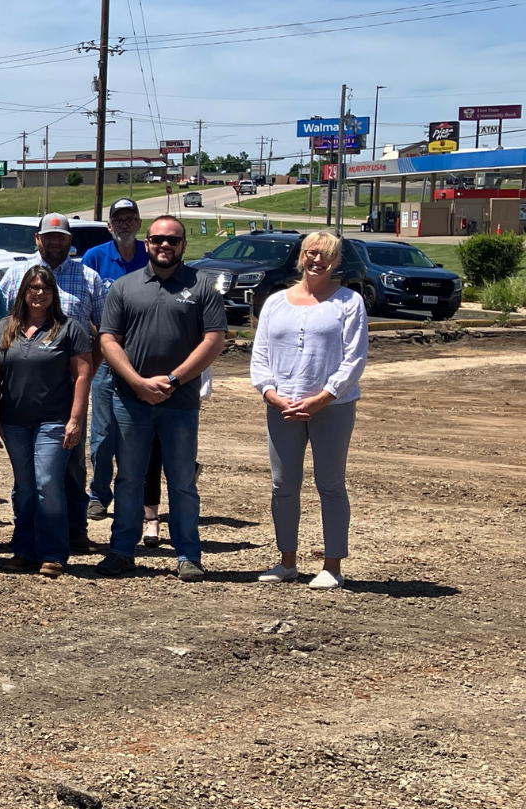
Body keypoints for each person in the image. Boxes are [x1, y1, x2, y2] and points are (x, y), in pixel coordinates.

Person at [96, 215, 227, 580]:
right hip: (130, 400)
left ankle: (188, 554)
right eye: (157, 240)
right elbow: (108, 340)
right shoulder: (124, 287)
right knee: (128, 479)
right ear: (147, 243)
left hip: (179, 402)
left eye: (173, 240)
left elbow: (214, 340)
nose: (164, 245)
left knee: (182, 480)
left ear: (183, 245)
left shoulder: (202, 287)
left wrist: (172, 379)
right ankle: (122, 551)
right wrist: (138, 382)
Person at [249, 231, 367, 590]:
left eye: (326, 256)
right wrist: (271, 394)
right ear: (301, 256)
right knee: (283, 485)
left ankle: (332, 565)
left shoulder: (349, 302)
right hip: (283, 407)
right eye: (312, 254)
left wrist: (323, 397)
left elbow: (354, 359)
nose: (318, 261)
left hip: (332, 407)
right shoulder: (275, 303)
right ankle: (287, 561)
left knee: (330, 484)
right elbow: (260, 356)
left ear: (336, 261)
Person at [0, 213, 106, 543]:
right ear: (37, 239)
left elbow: (101, 333)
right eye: (49, 236)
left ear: (70, 241)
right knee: (28, 474)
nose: (55, 242)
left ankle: (74, 531)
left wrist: (87, 372)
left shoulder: (89, 278)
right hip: (22, 389)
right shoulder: (16, 274)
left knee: (70, 464)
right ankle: (29, 538)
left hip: (70, 390)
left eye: (61, 237)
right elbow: (2, 331)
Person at [0, 266, 94, 577]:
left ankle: (53, 553)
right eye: (33, 287)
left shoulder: (68, 329)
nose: (39, 293)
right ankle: (24, 550)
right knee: (24, 487)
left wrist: (75, 419)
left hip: (54, 421)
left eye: (45, 288)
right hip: (15, 421)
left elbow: (83, 375)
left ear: (54, 294)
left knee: (48, 484)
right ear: (22, 292)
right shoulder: (4, 329)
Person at [81, 198, 150, 529]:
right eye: (118, 219)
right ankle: (98, 494)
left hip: (146, 357)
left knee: (139, 432)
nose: (124, 224)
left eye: (130, 218)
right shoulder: (95, 257)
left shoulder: (149, 256)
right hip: (106, 356)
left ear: (138, 223)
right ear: (109, 225)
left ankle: (134, 496)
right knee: (104, 431)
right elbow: (88, 305)